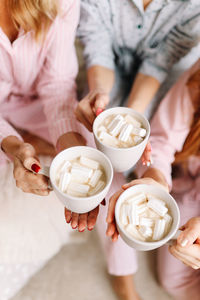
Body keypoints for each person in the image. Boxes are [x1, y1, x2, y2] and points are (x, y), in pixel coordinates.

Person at [0, 1, 143, 299]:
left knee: (105, 170)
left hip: (39, 109)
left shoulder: (57, 2)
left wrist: (73, 150)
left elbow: (56, 84)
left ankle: (124, 278)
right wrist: (14, 145)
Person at [106, 58, 200, 300]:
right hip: (189, 182)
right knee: (173, 280)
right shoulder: (197, 77)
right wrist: (156, 179)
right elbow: (163, 141)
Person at [75, 0, 200, 132]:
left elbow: (158, 64)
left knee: (145, 126)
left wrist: (132, 114)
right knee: (95, 122)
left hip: (167, 66)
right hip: (113, 57)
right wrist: (99, 91)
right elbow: (99, 50)